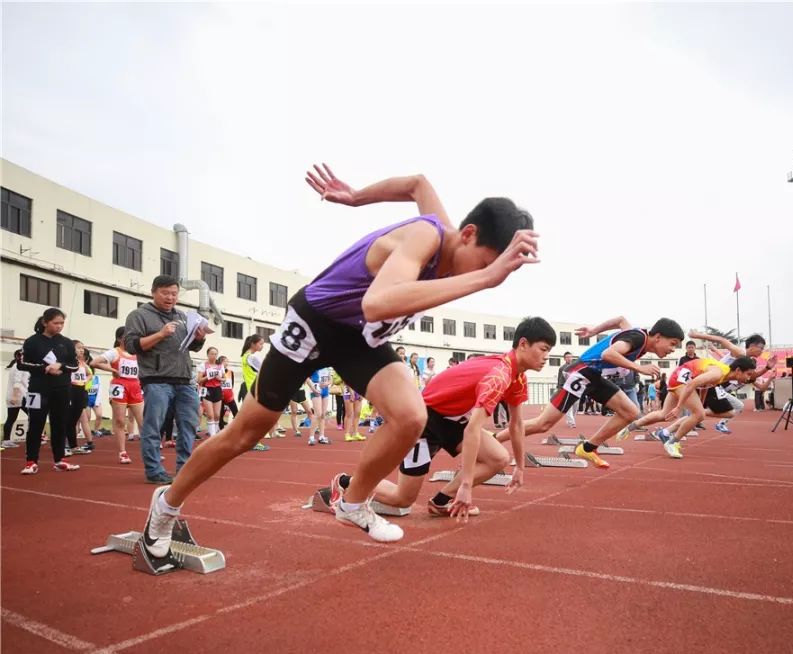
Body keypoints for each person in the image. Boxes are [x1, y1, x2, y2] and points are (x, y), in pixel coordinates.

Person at [140, 164, 538, 556]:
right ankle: (166, 504)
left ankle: (352, 502)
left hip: (358, 337)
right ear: (467, 235)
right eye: (486, 264)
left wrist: (355, 197)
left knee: (411, 416)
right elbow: (377, 302)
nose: (484, 276)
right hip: (315, 324)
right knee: (244, 434)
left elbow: (418, 183)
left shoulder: (456, 238)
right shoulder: (425, 235)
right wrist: (483, 278)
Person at [359, 317, 555, 520]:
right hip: (425, 418)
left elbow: (516, 424)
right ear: (523, 344)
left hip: (453, 419)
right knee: (402, 498)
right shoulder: (499, 376)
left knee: (499, 458)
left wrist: (520, 468)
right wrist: (466, 485)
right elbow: (473, 429)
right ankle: (346, 484)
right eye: (543, 349)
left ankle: (441, 501)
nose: (547, 356)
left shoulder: (519, 378)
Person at [494, 316, 684, 468]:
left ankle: (587, 448)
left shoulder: (637, 335)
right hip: (580, 374)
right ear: (657, 337)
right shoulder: (638, 338)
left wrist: (594, 331)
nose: (672, 350)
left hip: (594, 376)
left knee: (631, 411)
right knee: (543, 424)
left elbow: (620, 319)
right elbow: (608, 354)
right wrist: (639, 368)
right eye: (672, 344)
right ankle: (492, 440)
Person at [122, 275, 208, 483]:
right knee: (154, 426)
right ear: (153, 292)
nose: (170, 297)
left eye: (174, 293)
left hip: (184, 380)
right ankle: (153, 471)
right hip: (156, 380)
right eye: (165, 293)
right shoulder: (139, 315)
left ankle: (185, 469)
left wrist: (199, 338)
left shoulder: (181, 315)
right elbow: (132, 345)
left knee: (189, 425)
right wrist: (160, 334)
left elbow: (193, 347)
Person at [621, 355, 757, 458]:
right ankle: (672, 442)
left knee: (664, 414)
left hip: (677, 378)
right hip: (682, 381)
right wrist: (679, 407)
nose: (748, 378)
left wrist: (700, 404)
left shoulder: (722, 374)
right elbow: (693, 384)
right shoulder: (718, 373)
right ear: (738, 370)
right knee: (699, 415)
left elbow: (704, 387)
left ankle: (631, 427)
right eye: (748, 374)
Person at [18, 308, 80, 474]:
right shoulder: (32, 341)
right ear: (45, 322)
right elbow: (22, 363)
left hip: (62, 389)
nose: (59, 326)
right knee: (35, 424)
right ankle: (31, 461)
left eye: (62, 323)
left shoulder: (66, 342)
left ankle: (60, 460)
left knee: (59, 424)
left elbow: (74, 365)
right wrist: (46, 368)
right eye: (56, 323)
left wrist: (61, 366)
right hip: (38, 389)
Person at [691, 330, 775, 434]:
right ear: (752, 346)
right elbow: (721, 339)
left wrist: (768, 369)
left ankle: (709, 420)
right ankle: (690, 419)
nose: (762, 351)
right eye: (761, 348)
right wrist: (696, 335)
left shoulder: (748, 364)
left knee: (737, 407)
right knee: (697, 408)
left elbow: (755, 380)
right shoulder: (739, 352)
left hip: (716, 386)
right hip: (712, 382)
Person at [92, 327, 147, 466]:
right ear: (119, 339)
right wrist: (111, 369)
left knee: (143, 421)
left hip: (135, 386)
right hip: (120, 386)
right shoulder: (114, 352)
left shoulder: (138, 353)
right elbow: (94, 362)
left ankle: (149, 451)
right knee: (120, 421)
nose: (130, 339)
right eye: (127, 337)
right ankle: (122, 452)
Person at [239, 335, 271, 450]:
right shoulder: (251, 357)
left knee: (252, 417)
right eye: (260, 344)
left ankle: (247, 440)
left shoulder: (245, 356)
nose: (262, 346)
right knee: (257, 418)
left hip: (250, 389)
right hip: (254, 390)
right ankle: (253, 442)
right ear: (253, 344)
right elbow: (265, 370)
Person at [66, 341, 94, 454]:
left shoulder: (81, 362)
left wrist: (85, 380)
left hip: (81, 391)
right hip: (70, 390)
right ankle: (64, 446)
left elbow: (90, 373)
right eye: (78, 348)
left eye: (82, 348)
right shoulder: (68, 361)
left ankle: (73, 447)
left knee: (73, 421)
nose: (81, 350)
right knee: (67, 419)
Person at [2, 350, 30, 449]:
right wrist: (14, 396)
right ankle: (6, 441)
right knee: (33, 415)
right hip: (17, 396)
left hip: (22, 395)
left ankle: (6, 440)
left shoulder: (23, 366)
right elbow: (16, 383)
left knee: (12, 418)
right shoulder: (18, 366)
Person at [197, 347, 224, 437]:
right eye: (212, 354)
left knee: (217, 415)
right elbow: (199, 380)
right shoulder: (203, 365)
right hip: (207, 390)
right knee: (210, 415)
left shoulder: (220, 366)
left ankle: (215, 432)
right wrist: (208, 377)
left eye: (215, 354)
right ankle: (213, 437)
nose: (214, 356)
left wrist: (219, 378)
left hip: (217, 390)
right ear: (208, 354)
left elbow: (224, 379)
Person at [555, 352, 577, 428]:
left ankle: (570, 419)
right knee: (568, 406)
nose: (569, 358)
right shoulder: (562, 368)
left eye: (570, 357)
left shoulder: (575, 367)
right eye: (567, 357)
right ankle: (572, 422)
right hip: (566, 389)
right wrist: (559, 388)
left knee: (575, 406)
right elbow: (559, 378)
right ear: (564, 358)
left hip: (575, 389)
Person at [218, 357, 239, 430]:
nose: (227, 363)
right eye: (226, 361)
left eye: (227, 361)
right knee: (220, 414)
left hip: (229, 395)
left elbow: (232, 384)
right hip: (220, 396)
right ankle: (221, 429)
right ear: (221, 362)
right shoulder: (217, 371)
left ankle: (238, 428)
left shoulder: (231, 372)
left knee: (236, 412)